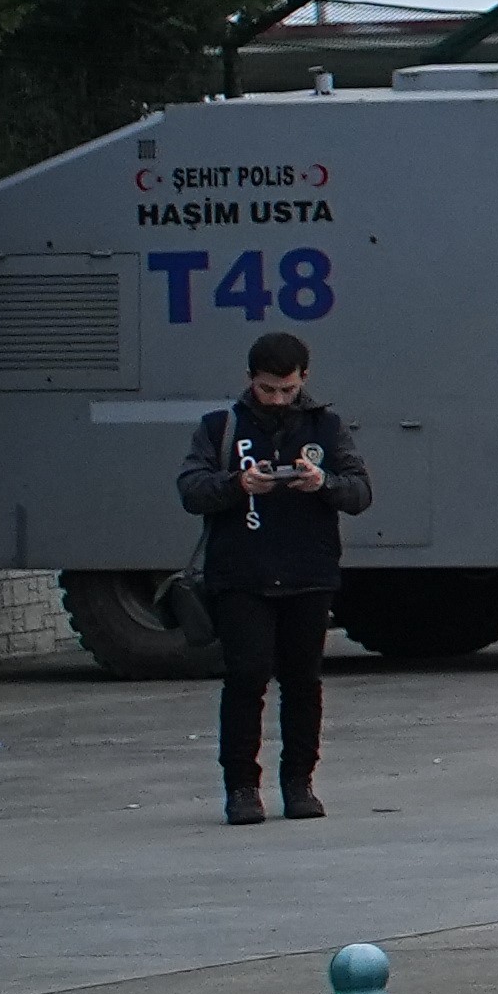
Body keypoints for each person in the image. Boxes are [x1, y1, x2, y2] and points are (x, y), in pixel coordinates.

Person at [177, 325, 364, 824]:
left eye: (288, 389)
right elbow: (192, 489)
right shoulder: (221, 427)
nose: (279, 399)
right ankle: (241, 786)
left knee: (303, 680)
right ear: (249, 380)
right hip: (241, 573)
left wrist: (322, 483)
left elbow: (360, 492)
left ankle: (299, 782)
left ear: (304, 378)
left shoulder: (326, 427)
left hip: (309, 571)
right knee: (246, 677)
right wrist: (240, 484)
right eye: (267, 389)